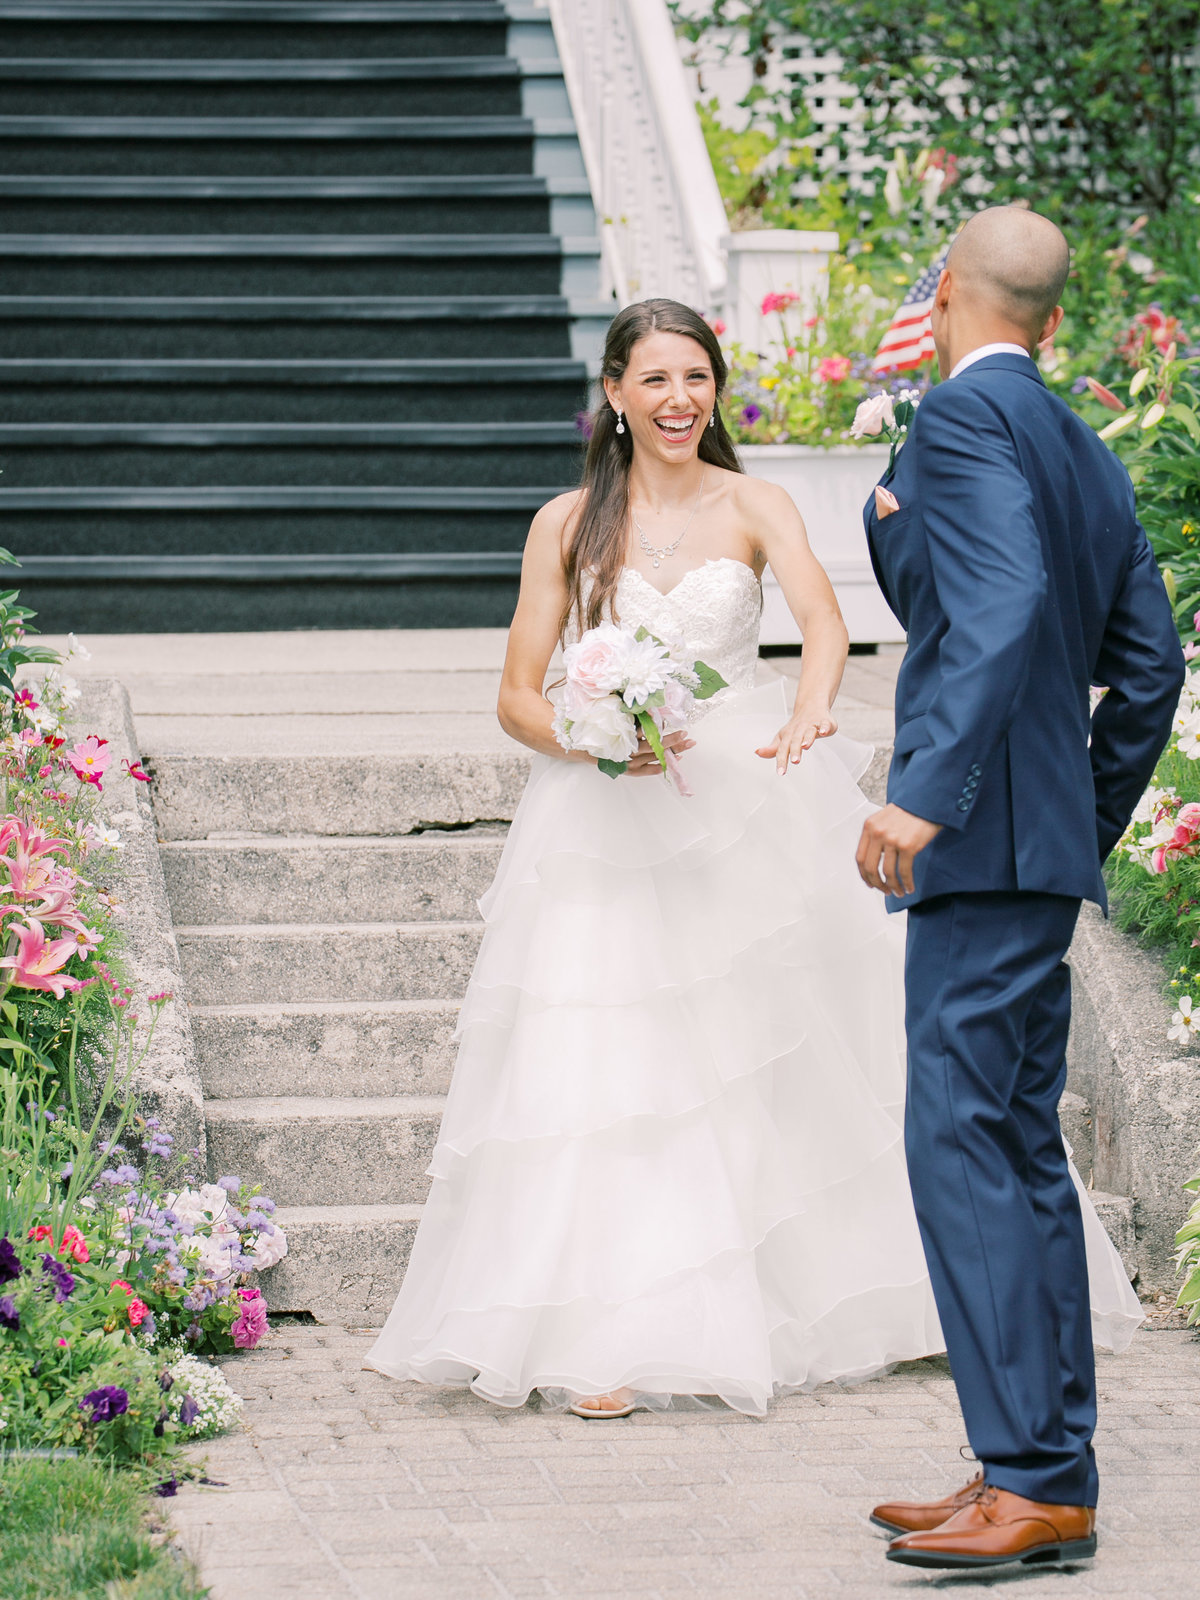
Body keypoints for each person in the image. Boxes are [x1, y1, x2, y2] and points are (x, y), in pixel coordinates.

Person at [365, 296, 1141, 1423]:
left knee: (763, 1049)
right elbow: (517, 696)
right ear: (616, 395)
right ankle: (607, 1333)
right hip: (604, 821)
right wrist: (596, 736)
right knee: (613, 1067)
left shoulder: (756, 503)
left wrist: (815, 708)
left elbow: (826, 626)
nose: (681, 400)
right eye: (657, 380)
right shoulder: (564, 526)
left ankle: (846, 1302)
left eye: (698, 378)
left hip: (750, 793)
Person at [857, 207, 1185, 1571]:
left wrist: (929, 792)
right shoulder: (1088, 453)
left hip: (978, 847)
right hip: (1033, 851)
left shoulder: (963, 424)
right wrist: (1078, 820)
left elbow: (991, 616)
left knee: (960, 1144)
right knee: (1016, 1152)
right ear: (1051, 319)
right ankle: (1035, 1463)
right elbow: (1149, 667)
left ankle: (1037, 1480)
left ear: (947, 304)